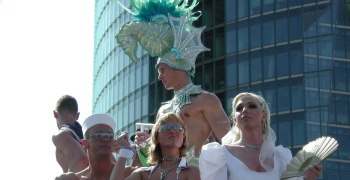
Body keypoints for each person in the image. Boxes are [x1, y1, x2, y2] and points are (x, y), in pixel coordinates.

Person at [199, 92, 323, 180]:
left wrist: (306, 178)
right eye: (239, 108)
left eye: (251, 106)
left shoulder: (281, 157)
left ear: (263, 116)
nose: (244, 110)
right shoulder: (219, 155)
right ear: (235, 120)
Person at [110, 112, 200, 180]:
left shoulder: (191, 171)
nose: (173, 131)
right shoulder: (143, 173)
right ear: (156, 138)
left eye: (178, 129)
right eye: (166, 128)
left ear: (183, 138)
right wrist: (124, 151)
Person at [55, 114, 131, 180]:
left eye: (109, 136)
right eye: (98, 135)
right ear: (85, 143)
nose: (105, 139)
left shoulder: (129, 174)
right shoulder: (76, 178)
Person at [52, 95, 89, 173]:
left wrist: (68, 177)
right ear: (78, 115)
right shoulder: (91, 135)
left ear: (55, 114)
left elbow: (81, 158)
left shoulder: (61, 135)